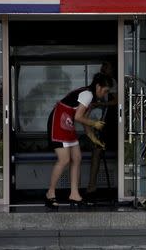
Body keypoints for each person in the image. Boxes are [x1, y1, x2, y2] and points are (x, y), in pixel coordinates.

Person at [45, 72, 113, 208]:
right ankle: (50, 193)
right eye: (105, 90)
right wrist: (95, 124)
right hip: (59, 122)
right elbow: (78, 118)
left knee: (77, 158)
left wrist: (95, 140)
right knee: (64, 160)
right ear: (98, 87)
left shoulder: (90, 98)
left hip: (68, 123)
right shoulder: (88, 94)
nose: (105, 94)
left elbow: (83, 121)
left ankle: (74, 194)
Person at [85, 62, 118, 198]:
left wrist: (100, 103)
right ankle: (91, 187)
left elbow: (117, 101)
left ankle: (121, 186)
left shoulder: (112, 83)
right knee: (97, 150)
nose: (105, 68)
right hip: (99, 121)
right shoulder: (93, 88)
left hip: (112, 120)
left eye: (107, 66)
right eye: (103, 66)